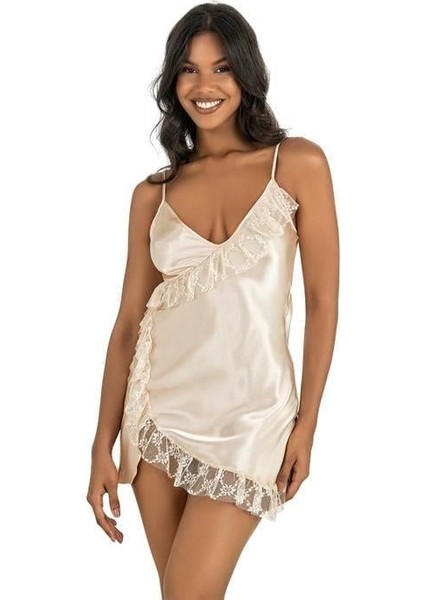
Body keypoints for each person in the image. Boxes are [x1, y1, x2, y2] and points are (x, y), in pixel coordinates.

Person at [86, 2, 339, 598]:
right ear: (173, 82)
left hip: (253, 416)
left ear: (246, 74)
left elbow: (323, 300)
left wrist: (307, 424)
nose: (205, 85)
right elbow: (128, 325)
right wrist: (101, 442)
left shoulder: (296, 163)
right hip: (156, 417)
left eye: (222, 68)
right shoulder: (152, 194)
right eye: (189, 69)